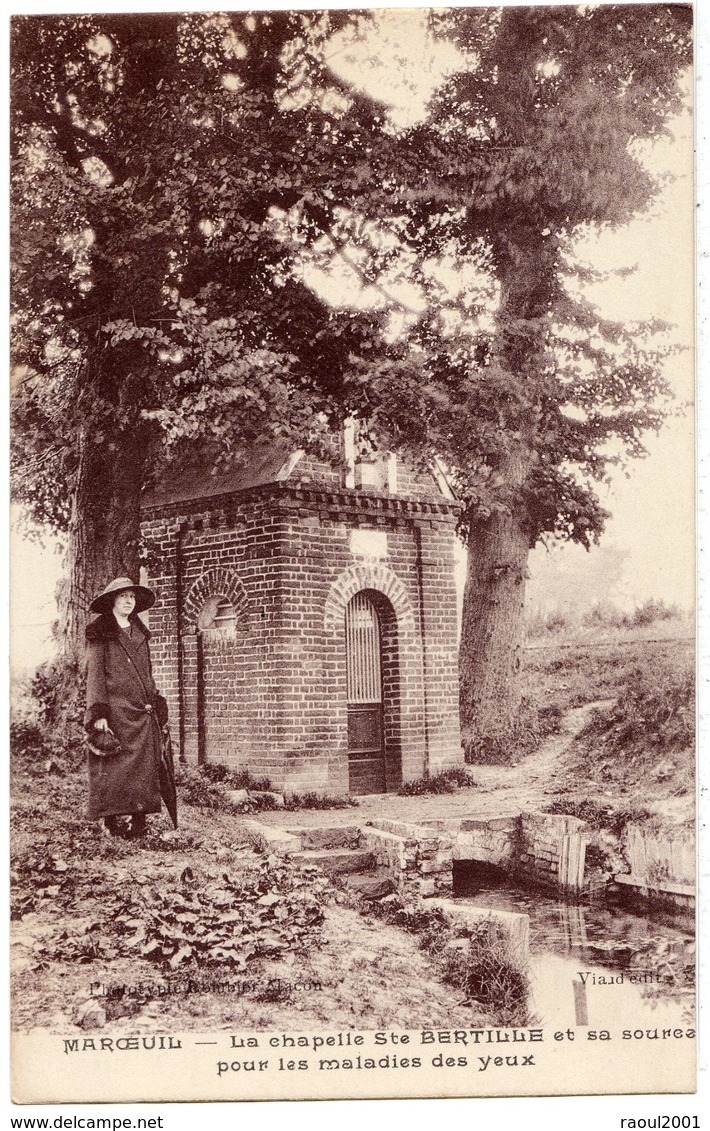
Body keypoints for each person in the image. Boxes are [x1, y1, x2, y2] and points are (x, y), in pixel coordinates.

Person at [84, 576, 169, 838]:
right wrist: (98, 712)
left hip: (142, 712)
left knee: (143, 768)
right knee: (112, 766)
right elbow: (95, 675)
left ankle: (139, 820)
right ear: (112, 601)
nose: (128, 602)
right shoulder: (101, 632)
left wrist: (155, 700)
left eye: (132, 597)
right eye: (123, 597)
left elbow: (147, 673)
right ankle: (110, 820)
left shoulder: (140, 633)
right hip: (116, 712)